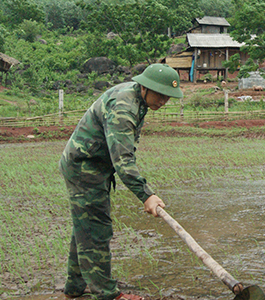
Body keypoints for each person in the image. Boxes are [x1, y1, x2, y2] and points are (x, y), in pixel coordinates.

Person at [59, 64, 184, 300]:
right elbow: (123, 160)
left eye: (168, 97)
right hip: (85, 168)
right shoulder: (124, 108)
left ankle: (76, 287)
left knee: (85, 228)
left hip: (94, 167)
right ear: (146, 87)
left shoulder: (137, 98)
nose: (164, 101)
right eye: (160, 94)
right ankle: (107, 294)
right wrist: (146, 195)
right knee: (96, 230)